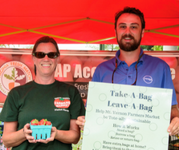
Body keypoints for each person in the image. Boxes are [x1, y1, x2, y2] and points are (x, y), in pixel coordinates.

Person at [76, 7, 179, 136]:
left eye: (134, 27)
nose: (128, 32)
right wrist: (85, 120)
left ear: (142, 32)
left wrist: (176, 120)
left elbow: (172, 108)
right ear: (116, 32)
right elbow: (92, 111)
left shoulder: (160, 68)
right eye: (123, 26)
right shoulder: (101, 70)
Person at [0, 36, 85, 150]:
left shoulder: (70, 92)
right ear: (33, 58)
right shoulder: (16, 94)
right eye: (40, 54)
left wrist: (56, 134)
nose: (46, 58)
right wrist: (24, 133)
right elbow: (6, 140)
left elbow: (75, 136)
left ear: (58, 58)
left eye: (51, 55)